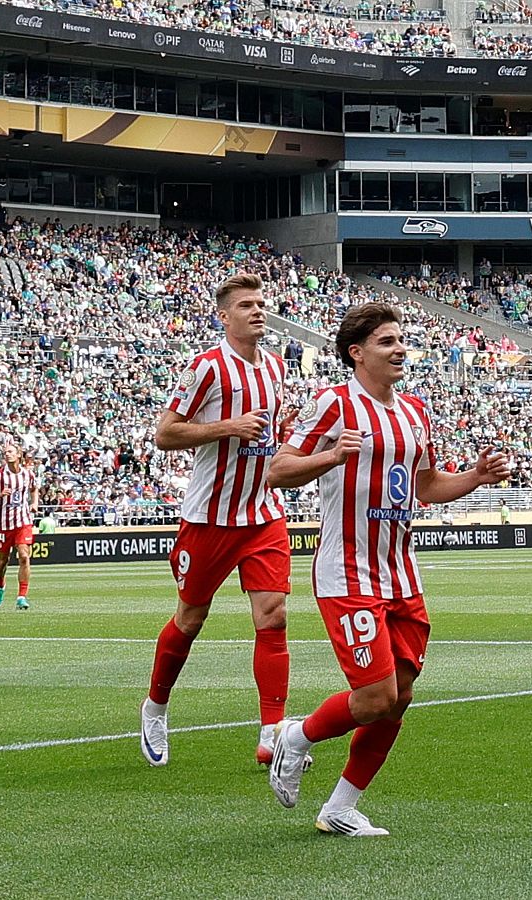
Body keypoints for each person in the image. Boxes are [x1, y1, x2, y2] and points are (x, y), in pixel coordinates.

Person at [265, 302, 512, 837]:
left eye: (401, 340)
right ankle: (296, 737)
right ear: (357, 353)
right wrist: (331, 457)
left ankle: (340, 808)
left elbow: (426, 487)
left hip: (402, 573)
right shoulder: (333, 404)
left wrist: (475, 477)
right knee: (375, 697)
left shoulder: (415, 412)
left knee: (398, 697)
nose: (400, 349)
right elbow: (278, 470)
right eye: (386, 341)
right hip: (348, 572)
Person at [141, 273, 299, 769]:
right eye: (246, 305)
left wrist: (280, 432)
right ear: (224, 316)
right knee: (190, 618)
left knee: (273, 615)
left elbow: (263, 437)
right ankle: (155, 707)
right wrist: (229, 426)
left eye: (261, 304)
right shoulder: (207, 368)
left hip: (263, 513)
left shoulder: (275, 367)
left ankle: (273, 733)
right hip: (209, 517)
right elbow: (165, 435)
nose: (258, 311)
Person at [0, 443, 37, 610]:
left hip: (23, 522)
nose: (7, 454)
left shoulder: (28, 474)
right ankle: (0, 586)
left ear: (18, 454)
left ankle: (21, 597)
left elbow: (34, 489)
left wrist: (34, 503)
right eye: (5, 452)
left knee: (24, 556)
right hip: (4, 524)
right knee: (3, 560)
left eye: (10, 452)